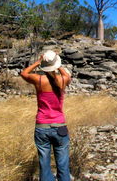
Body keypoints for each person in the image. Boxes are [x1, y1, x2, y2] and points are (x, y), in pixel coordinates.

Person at [20, 50, 71, 181]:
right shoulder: (63, 80)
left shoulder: (39, 80)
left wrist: (38, 62)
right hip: (60, 125)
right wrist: (57, 63)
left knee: (44, 163)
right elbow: (66, 74)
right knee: (63, 162)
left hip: (42, 125)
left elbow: (24, 73)